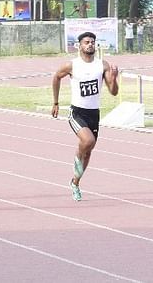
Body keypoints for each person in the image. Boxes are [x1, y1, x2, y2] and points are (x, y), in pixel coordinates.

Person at [51, 32, 119, 201]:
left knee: (88, 152)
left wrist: (114, 78)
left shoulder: (102, 65)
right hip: (77, 112)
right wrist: (56, 102)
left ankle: (75, 182)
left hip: (93, 113)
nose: (90, 44)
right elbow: (56, 77)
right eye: (87, 42)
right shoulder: (71, 65)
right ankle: (77, 156)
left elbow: (113, 91)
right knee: (88, 141)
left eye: (93, 42)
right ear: (79, 45)